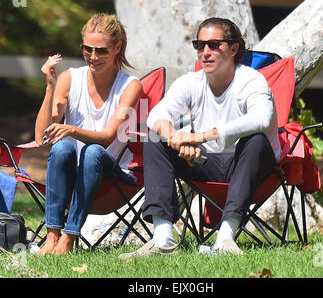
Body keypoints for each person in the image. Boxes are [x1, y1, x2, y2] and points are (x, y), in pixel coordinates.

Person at [119, 17, 281, 259]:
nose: (205, 52)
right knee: (155, 138)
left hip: (251, 165)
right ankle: (163, 239)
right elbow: (156, 115)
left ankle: (226, 238)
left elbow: (262, 119)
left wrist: (201, 137)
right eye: (200, 45)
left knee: (256, 139)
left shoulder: (251, 80)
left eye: (215, 45)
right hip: (206, 163)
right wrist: (178, 138)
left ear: (234, 48)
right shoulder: (190, 82)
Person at [35, 13, 142, 255]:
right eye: (87, 48)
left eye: (102, 50)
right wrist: (50, 87)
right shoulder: (70, 78)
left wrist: (71, 129)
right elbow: (42, 136)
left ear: (117, 47)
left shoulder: (130, 86)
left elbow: (106, 138)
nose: (93, 57)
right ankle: (52, 235)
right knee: (61, 147)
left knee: (93, 151)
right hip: (72, 170)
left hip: (112, 173)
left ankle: (69, 237)